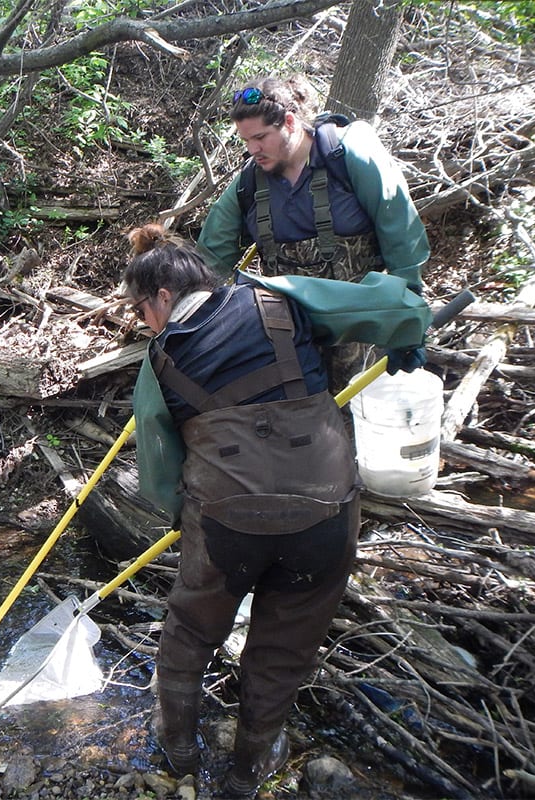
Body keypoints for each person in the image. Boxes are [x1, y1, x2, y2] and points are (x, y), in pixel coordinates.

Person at [124, 222, 362, 799]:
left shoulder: (161, 360)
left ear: (162, 298)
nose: (142, 323)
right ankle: (247, 771)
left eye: (140, 310)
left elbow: (159, 470)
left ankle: (178, 746)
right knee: (284, 646)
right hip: (325, 515)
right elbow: (371, 319)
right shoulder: (282, 300)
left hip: (227, 525)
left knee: (191, 625)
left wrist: (183, 517)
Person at [196, 74, 431, 389]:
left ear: (290, 122)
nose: (253, 149)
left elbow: (401, 233)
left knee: (360, 423)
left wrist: (407, 321)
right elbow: (210, 259)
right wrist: (192, 318)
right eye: (246, 141)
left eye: (261, 137)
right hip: (289, 339)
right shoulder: (250, 183)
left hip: (361, 333)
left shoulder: (348, 154)